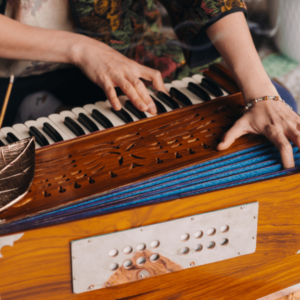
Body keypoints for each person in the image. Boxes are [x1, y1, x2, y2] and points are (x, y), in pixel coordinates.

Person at [0, 0, 298, 169]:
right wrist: (80, 49)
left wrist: (261, 96)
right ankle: (41, 111)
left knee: (264, 123)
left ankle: (53, 110)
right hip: (11, 71)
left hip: (124, 50)